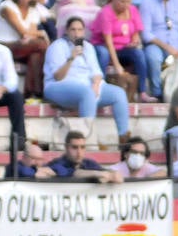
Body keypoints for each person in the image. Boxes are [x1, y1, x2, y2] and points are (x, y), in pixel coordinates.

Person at [43, 17, 131, 145]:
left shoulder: (88, 47)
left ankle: (124, 139)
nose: (76, 33)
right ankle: (87, 141)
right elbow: (58, 76)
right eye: (73, 29)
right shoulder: (57, 46)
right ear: (67, 31)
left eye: (79, 30)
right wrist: (71, 58)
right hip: (59, 86)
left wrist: (95, 84)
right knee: (87, 93)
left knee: (118, 93)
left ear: (84, 32)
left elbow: (96, 72)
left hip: (87, 86)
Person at [46, 130, 122, 183]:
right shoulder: (56, 164)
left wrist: (113, 174)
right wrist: (98, 174)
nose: (79, 152)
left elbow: (107, 173)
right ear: (66, 147)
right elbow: (74, 173)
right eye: (75, 147)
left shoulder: (89, 163)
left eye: (82, 147)